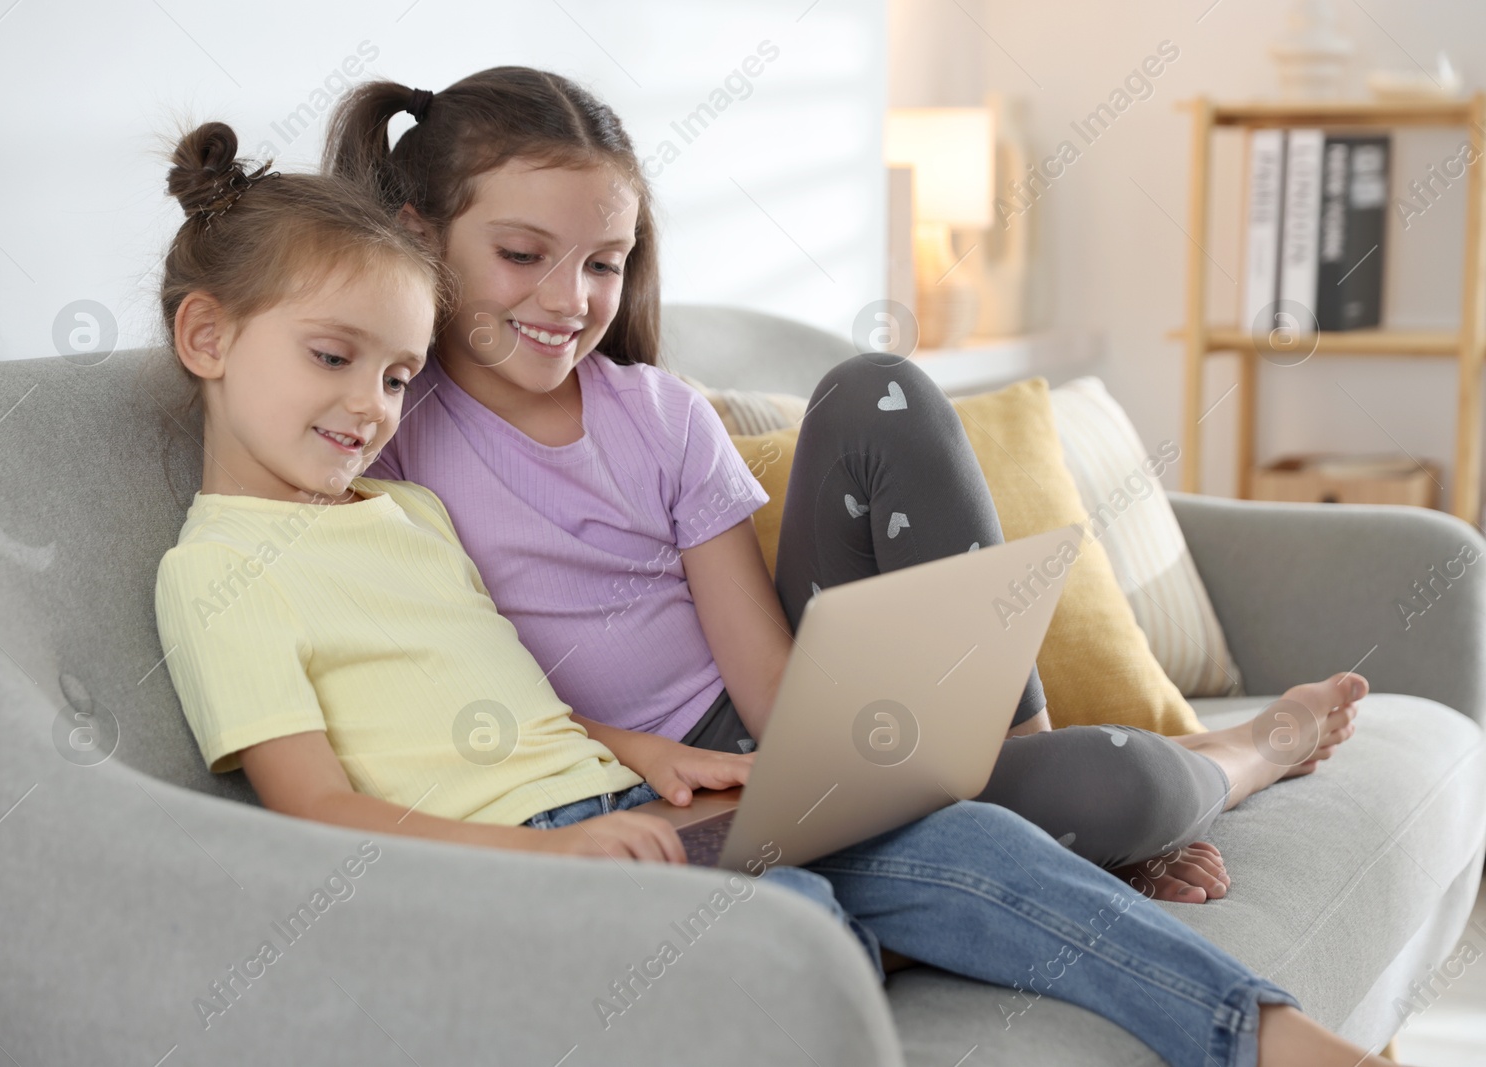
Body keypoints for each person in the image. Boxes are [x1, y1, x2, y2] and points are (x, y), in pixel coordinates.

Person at [149, 118, 1395, 1067]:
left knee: (958, 835)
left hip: (631, 795)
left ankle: (1264, 1033)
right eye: (335, 360)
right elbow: (311, 805)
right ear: (206, 339)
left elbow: (501, 697)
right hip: (528, 861)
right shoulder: (215, 575)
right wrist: (569, 849)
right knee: (797, 905)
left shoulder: (401, 508)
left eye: (394, 373)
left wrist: (654, 759)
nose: (372, 405)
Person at [324, 70, 1362, 908]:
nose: (569, 299)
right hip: (631, 798)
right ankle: (1243, 755)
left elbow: (771, 696)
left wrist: (873, 761)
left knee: (880, 390)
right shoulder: (384, 436)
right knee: (1125, 784)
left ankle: (1024, 776)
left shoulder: (660, 414)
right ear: (418, 232)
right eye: (521, 255)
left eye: (603, 261)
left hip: (774, 738)